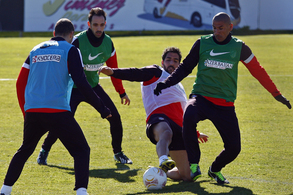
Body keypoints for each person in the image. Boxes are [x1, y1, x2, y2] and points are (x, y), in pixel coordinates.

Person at [154, 12, 291, 184]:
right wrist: (166, 82)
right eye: (214, 28)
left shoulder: (240, 48)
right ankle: (194, 164)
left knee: (234, 148)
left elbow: (258, 71)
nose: (217, 31)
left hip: (224, 105)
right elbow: (185, 67)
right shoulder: (202, 43)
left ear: (230, 27)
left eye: (220, 28)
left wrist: (276, 94)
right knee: (188, 114)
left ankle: (215, 169)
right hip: (201, 97)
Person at [0, 18, 110, 195]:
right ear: (71, 35)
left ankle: (4, 192)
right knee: (81, 150)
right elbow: (81, 83)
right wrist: (102, 108)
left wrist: (26, 110)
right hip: (57, 110)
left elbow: (19, 82)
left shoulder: (35, 49)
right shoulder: (70, 50)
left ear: (54, 32)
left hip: (33, 110)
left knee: (25, 150)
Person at [37, 7, 132, 165]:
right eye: (95, 25)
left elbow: (113, 71)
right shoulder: (77, 41)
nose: (99, 28)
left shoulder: (108, 43)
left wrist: (121, 92)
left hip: (93, 87)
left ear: (105, 24)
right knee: (62, 121)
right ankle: (44, 151)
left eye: (102, 25)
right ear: (89, 24)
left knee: (115, 117)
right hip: (73, 89)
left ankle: (118, 153)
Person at [99, 47, 208, 181]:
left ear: (179, 65)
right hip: (158, 118)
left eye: (175, 61)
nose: (171, 63)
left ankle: (160, 173)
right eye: (168, 60)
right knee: (166, 132)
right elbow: (136, 73)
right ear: (163, 62)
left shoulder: (178, 85)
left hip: (178, 127)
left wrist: (195, 133)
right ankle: (163, 159)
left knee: (186, 176)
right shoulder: (156, 72)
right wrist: (113, 72)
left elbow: (183, 114)